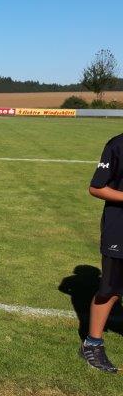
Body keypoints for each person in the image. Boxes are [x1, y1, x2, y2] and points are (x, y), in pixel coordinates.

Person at [80, 133, 123, 373]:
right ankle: (92, 344)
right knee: (110, 290)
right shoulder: (117, 145)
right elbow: (96, 187)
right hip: (119, 229)